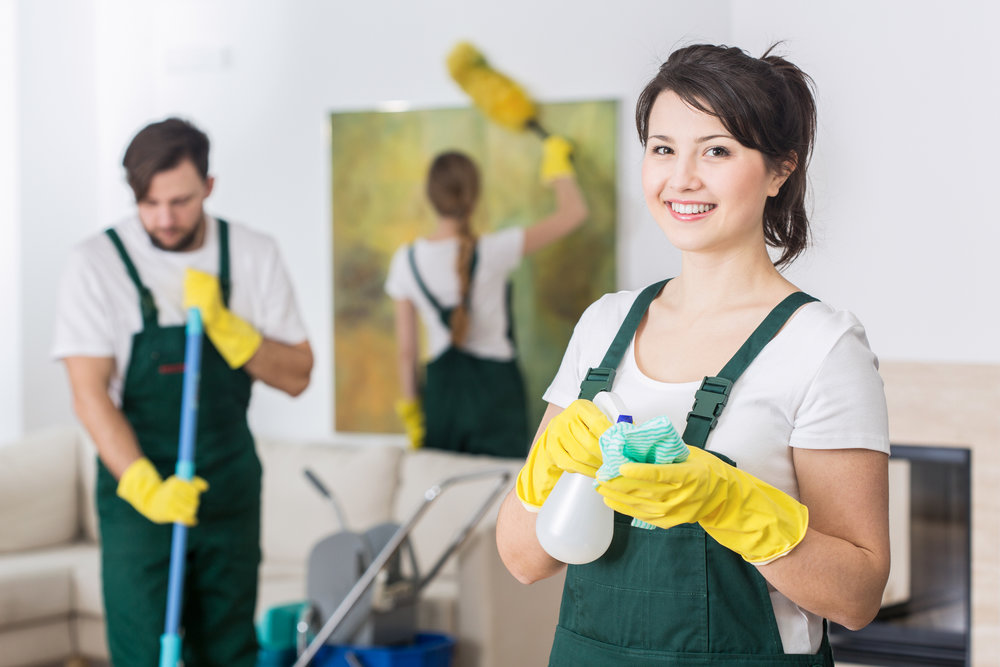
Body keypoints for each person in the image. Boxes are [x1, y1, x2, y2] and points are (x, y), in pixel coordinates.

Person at [496, 44, 891, 665]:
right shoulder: (604, 326)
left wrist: (728, 500)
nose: (681, 178)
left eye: (717, 150)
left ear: (780, 170)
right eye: (662, 148)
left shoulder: (821, 346)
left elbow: (858, 597)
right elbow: (524, 560)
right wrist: (547, 464)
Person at [52, 117, 313, 665]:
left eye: (180, 201)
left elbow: (297, 375)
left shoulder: (252, 253)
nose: (164, 219)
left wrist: (230, 329)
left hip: (229, 481)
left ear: (209, 187)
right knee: (147, 651)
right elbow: (88, 393)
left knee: (229, 649)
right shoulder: (96, 263)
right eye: (149, 204)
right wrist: (147, 487)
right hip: (139, 486)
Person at [385, 136, 588, 458]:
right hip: (498, 394)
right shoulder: (496, 249)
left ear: (430, 196)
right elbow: (572, 213)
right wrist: (557, 166)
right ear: (474, 195)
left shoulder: (406, 261)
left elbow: (406, 352)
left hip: (441, 398)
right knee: (500, 493)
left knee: (447, 497)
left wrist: (412, 413)